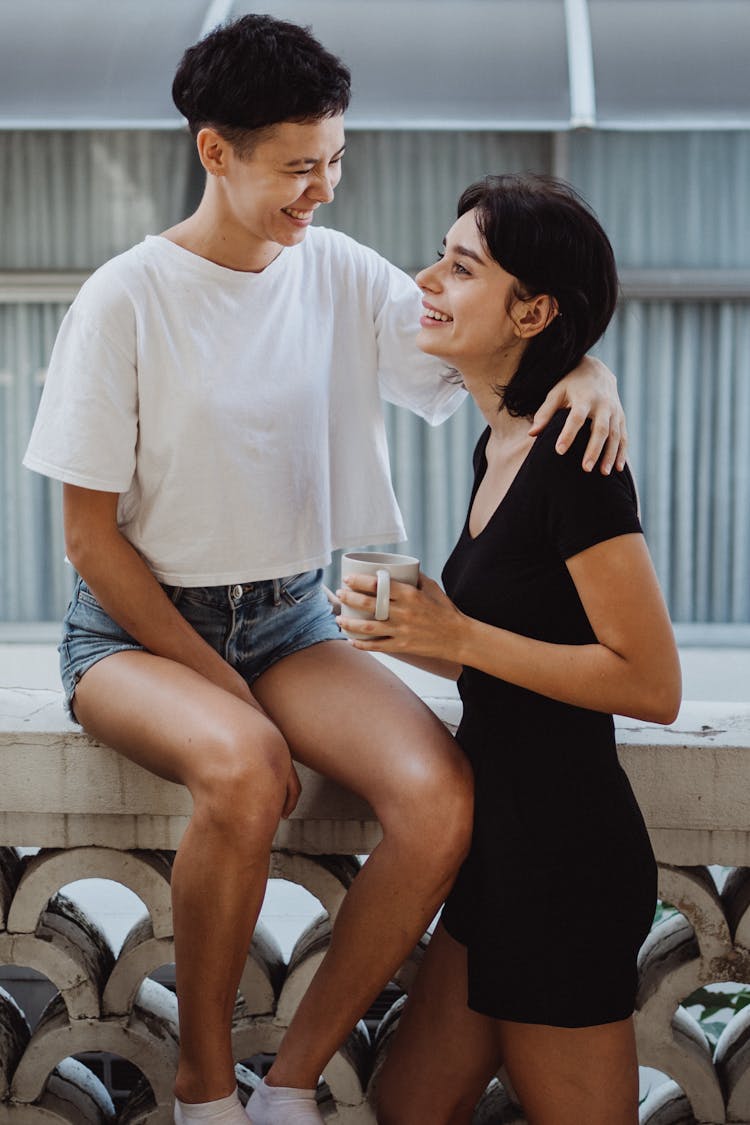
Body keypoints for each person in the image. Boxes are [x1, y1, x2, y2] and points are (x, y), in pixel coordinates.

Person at [23, 14, 629, 1125]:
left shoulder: (338, 274)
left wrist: (589, 369)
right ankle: (207, 1088)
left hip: (292, 621)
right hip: (132, 633)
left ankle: (288, 1085)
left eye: (335, 161)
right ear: (216, 150)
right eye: (299, 167)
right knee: (248, 768)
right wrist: (217, 684)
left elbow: (497, 326)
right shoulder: (126, 298)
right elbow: (89, 541)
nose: (325, 191)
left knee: (441, 802)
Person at [337, 174, 682, 1125]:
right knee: (408, 1106)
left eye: (460, 267)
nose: (425, 281)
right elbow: (518, 654)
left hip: (564, 861)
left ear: (532, 310)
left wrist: (460, 632)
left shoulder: (577, 459)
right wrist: (418, 636)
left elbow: (650, 683)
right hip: (498, 849)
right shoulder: (501, 442)